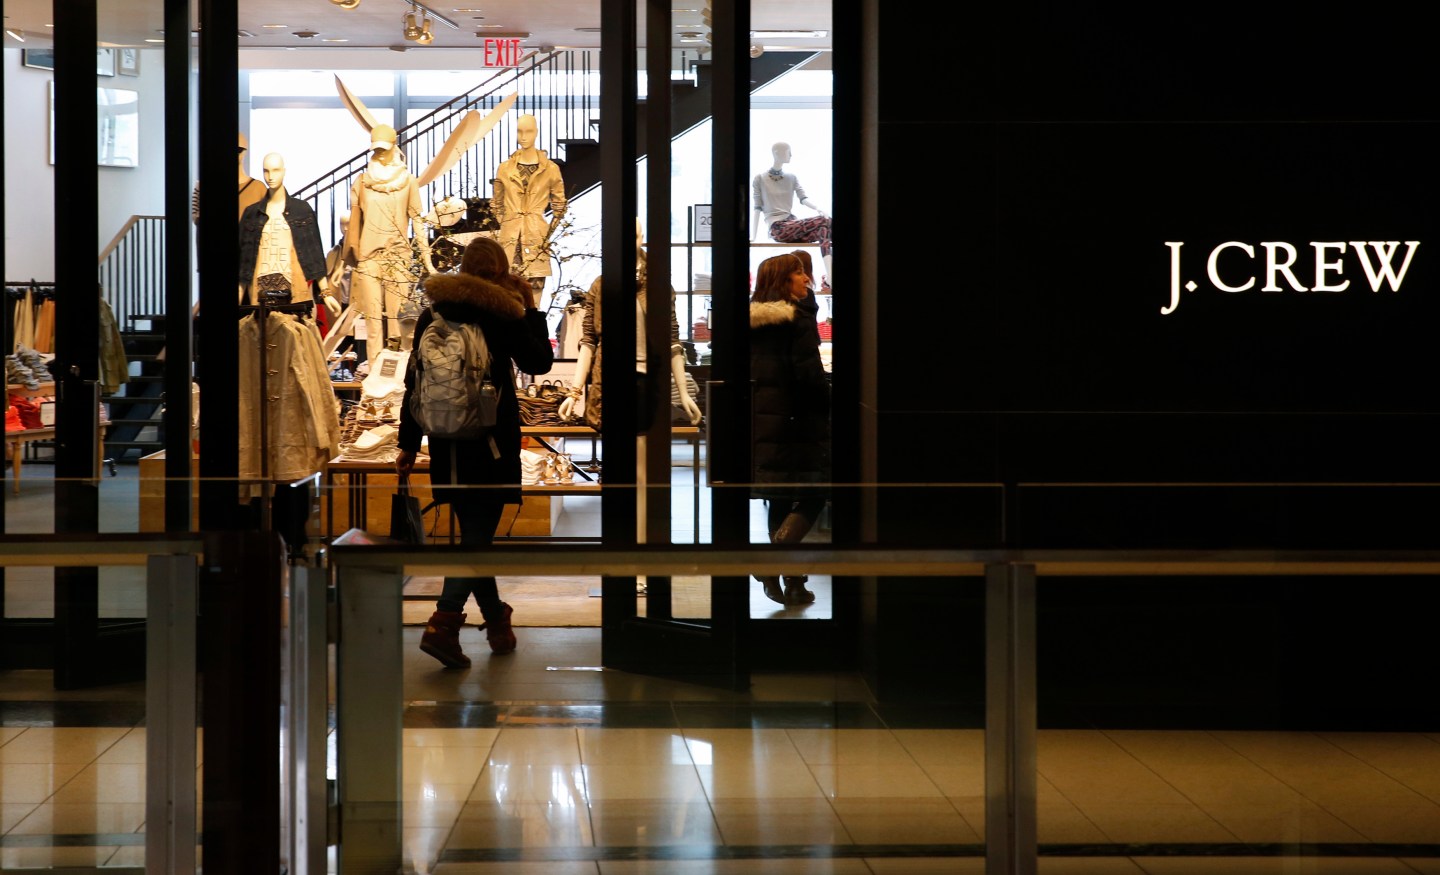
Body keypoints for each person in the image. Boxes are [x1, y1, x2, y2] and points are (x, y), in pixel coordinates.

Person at [397, 237, 555, 666]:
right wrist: (531, 308)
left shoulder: (434, 312)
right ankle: (443, 623)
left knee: (473, 532)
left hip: (444, 442)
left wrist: (408, 443)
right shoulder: (502, 312)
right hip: (490, 442)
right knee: (477, 535)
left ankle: (496, 620)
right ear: (500, 271)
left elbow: (415, 380)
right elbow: (539, 363)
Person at [749, 253, 830, 605]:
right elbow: (809, 375)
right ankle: (772, 563)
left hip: (765, 422)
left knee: (781, 495)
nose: (806, 278)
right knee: (819, 490)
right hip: (797, 420)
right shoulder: (797, 319)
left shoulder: (753, 321)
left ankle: (794, 583)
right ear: (782, 280)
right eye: (798, 273)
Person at [343, 123, 435, 356]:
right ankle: (374, 381)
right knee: (373, 324)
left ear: (394, 146)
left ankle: (399, 380)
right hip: (368, 259)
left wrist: (427, 260)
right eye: (377, 149)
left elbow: (417, 221)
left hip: (398, 258)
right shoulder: (362, 181)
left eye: (385, 148)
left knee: (398, 324)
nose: (380, 154)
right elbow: (354, 224)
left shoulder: (407, 181)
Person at [752, 142, 833, 283]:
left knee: (823, 230)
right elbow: (757, 207)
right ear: (777, 153)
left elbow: (803, 198)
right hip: (778, 228)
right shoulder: (760, 179)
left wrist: (818, 208)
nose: (791, 155)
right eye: (788, 151)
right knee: (824, 221)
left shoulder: (791, 177)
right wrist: (752, 236)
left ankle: (831, 277)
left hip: (793, 225)